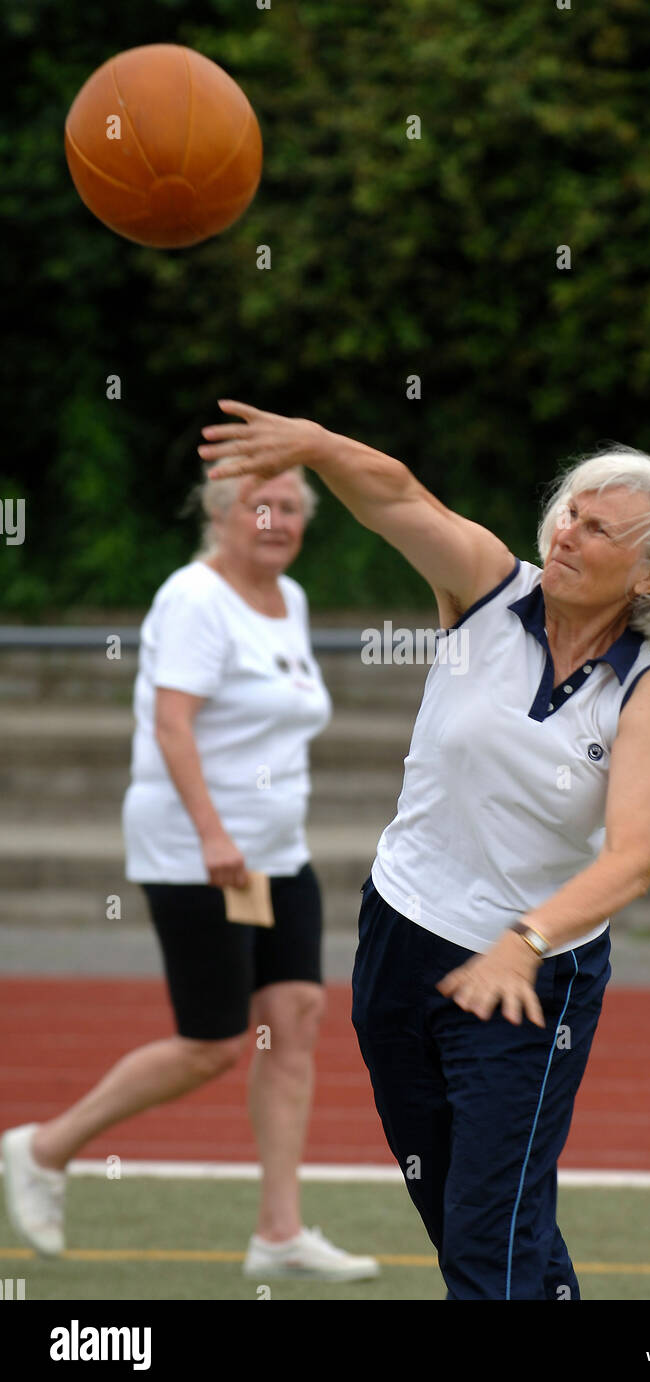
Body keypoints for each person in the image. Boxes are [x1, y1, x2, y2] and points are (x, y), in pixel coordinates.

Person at [195, 401, 650, 1302]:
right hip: (397, 943)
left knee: (486, 1243)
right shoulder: (488, 588)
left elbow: (629, 860)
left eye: (597, 529)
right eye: (568, 513)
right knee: (473, 1220)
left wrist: (523, 939)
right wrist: (317, 446)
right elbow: (400, 498)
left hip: (526, 982)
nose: (566, 533)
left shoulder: (646, 692)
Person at [1, 464, 379, 1284]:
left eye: (290, 508)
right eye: (258, 506)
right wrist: (213, 834)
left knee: (298, 1011)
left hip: (274, 851)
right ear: (219, 514)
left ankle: (278, 1232)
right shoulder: (195, 598)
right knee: (212, 1043)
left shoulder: (292, 599)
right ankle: (43, 1148)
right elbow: (174, 726)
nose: (275, 521)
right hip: (201, 850)